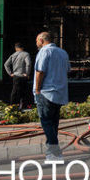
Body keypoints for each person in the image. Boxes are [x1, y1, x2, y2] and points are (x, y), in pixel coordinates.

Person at [33, 32, 70, 160]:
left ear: (42, 40)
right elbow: (67, 70)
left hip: (46, 92)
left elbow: (40, 72)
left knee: (46, 122)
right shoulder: (63, 53)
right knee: (53, 123)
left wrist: (37, 90)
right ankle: (51, 153)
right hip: (59, 92)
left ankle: (55, 152)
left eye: (37, 41)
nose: (36, 44)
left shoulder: (44, 52)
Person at [4, 42, 33, 108]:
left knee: (15, 91)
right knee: (24, 92)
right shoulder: (26, 54)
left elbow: (6, 64)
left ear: (16, 48)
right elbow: (28, 64)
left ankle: (12, 106)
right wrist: (27, 73)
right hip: (23, 75)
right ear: (22, 48)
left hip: (15, 76)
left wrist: (10, 73)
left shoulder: (13, 55)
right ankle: (24, 106)